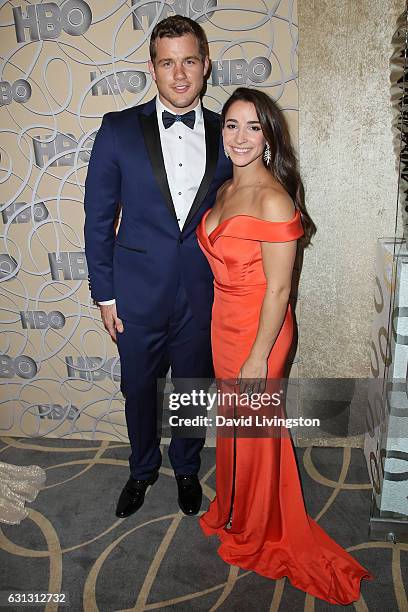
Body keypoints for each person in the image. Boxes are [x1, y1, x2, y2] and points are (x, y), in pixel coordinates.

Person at [196, 87, 374, 604]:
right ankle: (235, 508)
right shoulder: (226, 188)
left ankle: (257, 530)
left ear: (270, 136)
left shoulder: (273, 198)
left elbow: (278, 289)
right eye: (232, 124)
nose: (240, 136)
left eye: (254, 126)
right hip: (224, 323)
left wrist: (257, 355)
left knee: (255, 429)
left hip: (261, 333)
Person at [84, 16, 231, 519]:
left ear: (205, 65)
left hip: (202, 293)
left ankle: (186, 468)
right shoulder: (118, 129)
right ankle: (142, 469)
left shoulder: (227, 133)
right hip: (136, 295)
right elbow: (98, 220)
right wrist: (105, 295)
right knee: (139, 391)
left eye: (189, 60)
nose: (180, 74)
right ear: (152, 69)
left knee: (192, 388)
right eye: (167, 63)